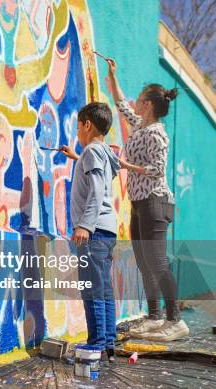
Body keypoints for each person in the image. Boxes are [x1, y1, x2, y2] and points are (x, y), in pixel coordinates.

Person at [106, 58, 189, 342]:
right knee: (143, 261)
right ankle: (154, 317)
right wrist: (112, 76)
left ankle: (175, 320)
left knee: (157, 261)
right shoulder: (141, 125)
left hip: (155, 201)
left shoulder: (157, 134)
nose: (136, 102)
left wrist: (128, 167)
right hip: (139, 202)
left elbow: (158, 170)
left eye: (140, 99)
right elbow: (120, 104)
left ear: (150, 105)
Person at [61, 102, 120, 362]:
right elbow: (101, 181)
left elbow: (96, 190)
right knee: (103, 288)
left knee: (92, 290)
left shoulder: (92, 152)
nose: (77, 134)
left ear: (87, 125)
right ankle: (107, 343)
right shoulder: (104, 153)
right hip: (106, 231)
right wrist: (77, 157)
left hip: (93, 232)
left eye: (78, 127)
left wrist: (84, 224)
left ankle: (95, 346)